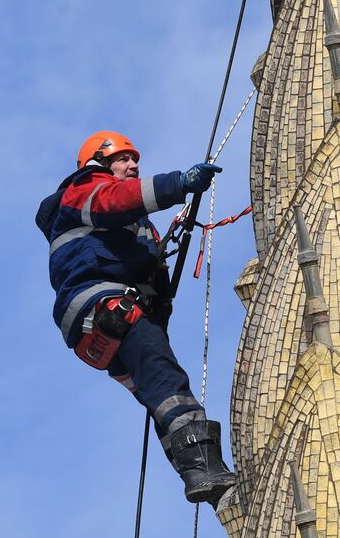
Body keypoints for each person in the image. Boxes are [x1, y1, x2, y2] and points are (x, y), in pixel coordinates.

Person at [35, 130, 237, 504]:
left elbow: (144, 265)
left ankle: (200, 475)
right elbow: (116, 201)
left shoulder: (134, 229)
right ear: (100, 162)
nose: (133, 166)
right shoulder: (84, 191)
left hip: (98, 326)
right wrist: (179, 184)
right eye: (124, 159)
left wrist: (157, 289)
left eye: (135, 161)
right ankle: (204, 467)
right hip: (103, 303)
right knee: (164, 375)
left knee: (158, 393)